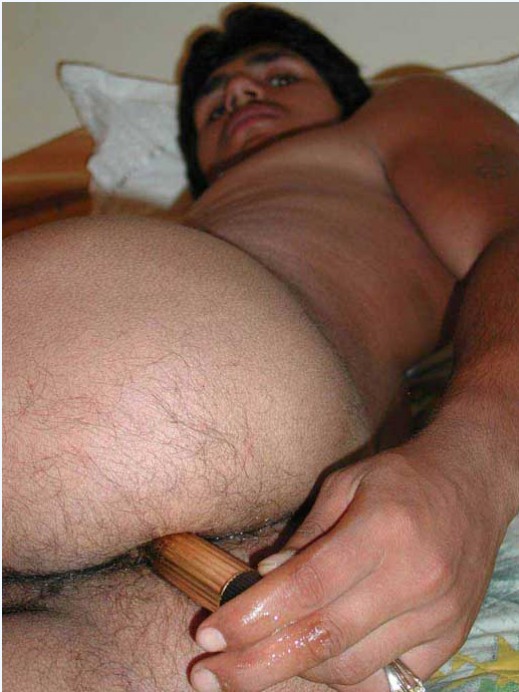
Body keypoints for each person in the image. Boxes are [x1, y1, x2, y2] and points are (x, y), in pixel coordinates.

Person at [3, 4, 518, 691]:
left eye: (279, 77)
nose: (241, 92)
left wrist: (476, 466)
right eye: (213, 107)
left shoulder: (394, 114)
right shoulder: (193, 216)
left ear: (343, 97)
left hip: (272, 520)